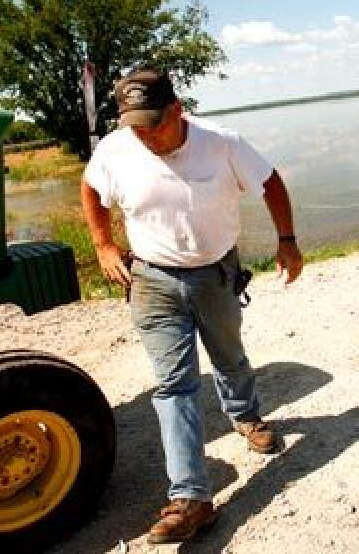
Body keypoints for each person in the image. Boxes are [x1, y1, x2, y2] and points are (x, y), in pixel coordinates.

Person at [80, 68, 303, 544]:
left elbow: (271, 182)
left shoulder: (221, 142)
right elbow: (91, 188)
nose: (144, 136)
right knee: (173, 385)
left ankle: (244, 416)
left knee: (228, 354)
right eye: (135, 126)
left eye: (153, 124)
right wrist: (102, 244)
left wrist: (286, 240)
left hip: (215, 274)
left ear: (177, 110)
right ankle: (192, 498)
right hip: (151, 279)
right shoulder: (116, 148)